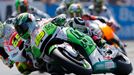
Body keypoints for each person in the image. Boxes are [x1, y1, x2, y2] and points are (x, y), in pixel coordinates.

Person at [14, 13, 114, 74]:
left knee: (75, 22)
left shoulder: (40, 21)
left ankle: (100, 42)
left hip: (57, 35)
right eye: (19, 30)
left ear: (30, 21)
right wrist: (36, 61)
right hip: (50, 57)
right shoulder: (27, 44)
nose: (21, 31)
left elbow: (55, 19)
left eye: (22, 27)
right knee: (50, 68)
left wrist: (59, 18)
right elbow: (34, 61)